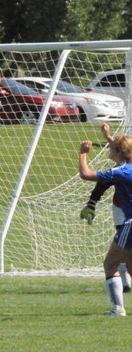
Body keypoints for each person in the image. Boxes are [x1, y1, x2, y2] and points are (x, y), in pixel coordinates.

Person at [78, 135, 132, 316]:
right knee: (130, 266)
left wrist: (83, 153)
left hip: (130, 224)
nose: (108, 148)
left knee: (110, 263)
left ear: (119, 151)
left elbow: (86, 174)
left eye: (112, 146)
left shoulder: (121, 171)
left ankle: (118, 309)